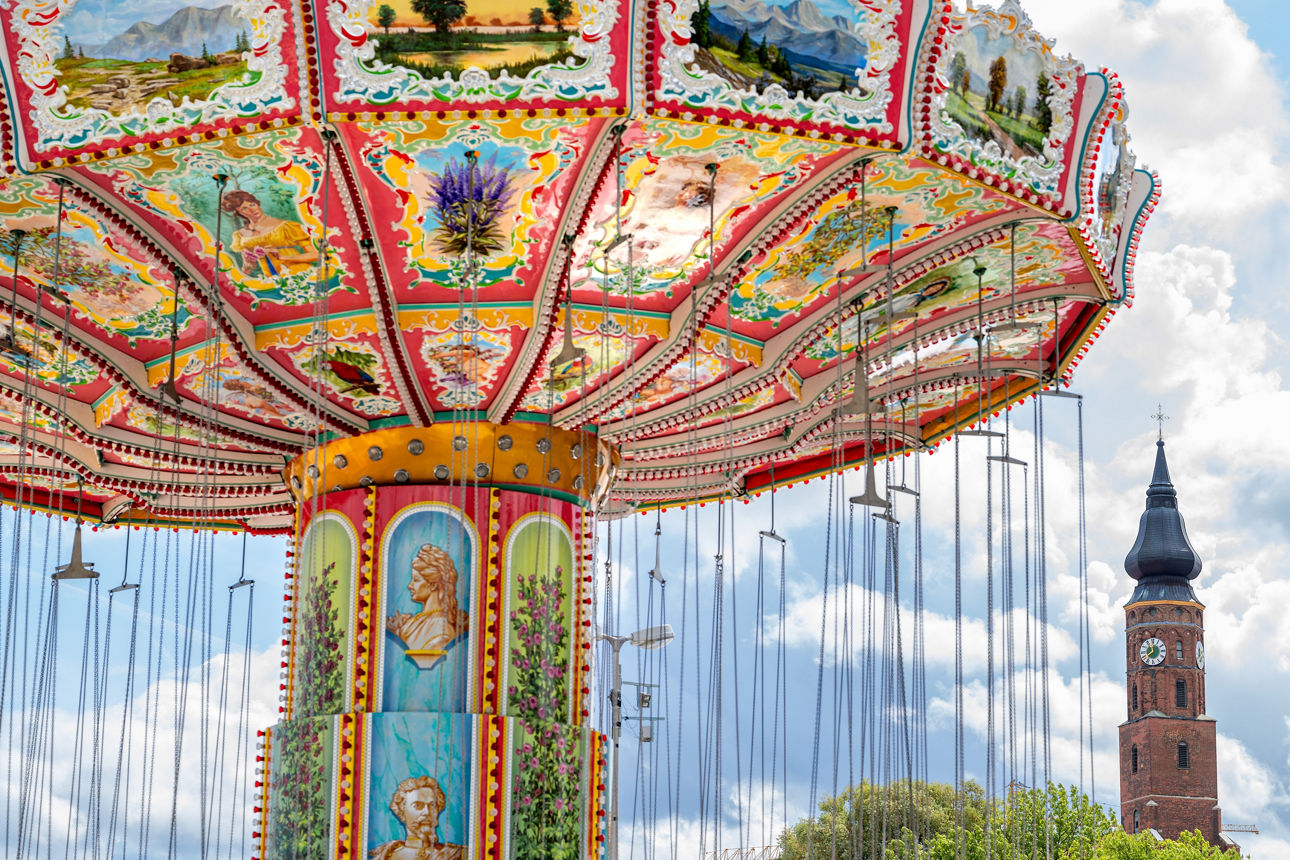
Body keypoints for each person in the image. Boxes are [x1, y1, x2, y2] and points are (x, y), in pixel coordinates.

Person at [386, 544, 469, 664]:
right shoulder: (414, 622)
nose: (410, 586)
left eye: (416, 580)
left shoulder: (442, 629)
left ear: (433, 585)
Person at [220, 190, 319, 278]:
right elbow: (248, 267)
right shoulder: (241, 235)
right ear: (238, 213)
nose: (252, 210)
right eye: (244, 208)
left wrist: (282, 257)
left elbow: (315, 255)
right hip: (271, 279)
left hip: (298, 273)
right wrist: (247, 267)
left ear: (257, 204)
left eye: (252, 204)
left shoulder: (285, 226)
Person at [370, 775, 464, 860]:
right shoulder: (385, 855)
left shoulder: (455, 855)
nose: (427, 812)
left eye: (432, 806)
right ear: (402, 812)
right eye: (418, 805)